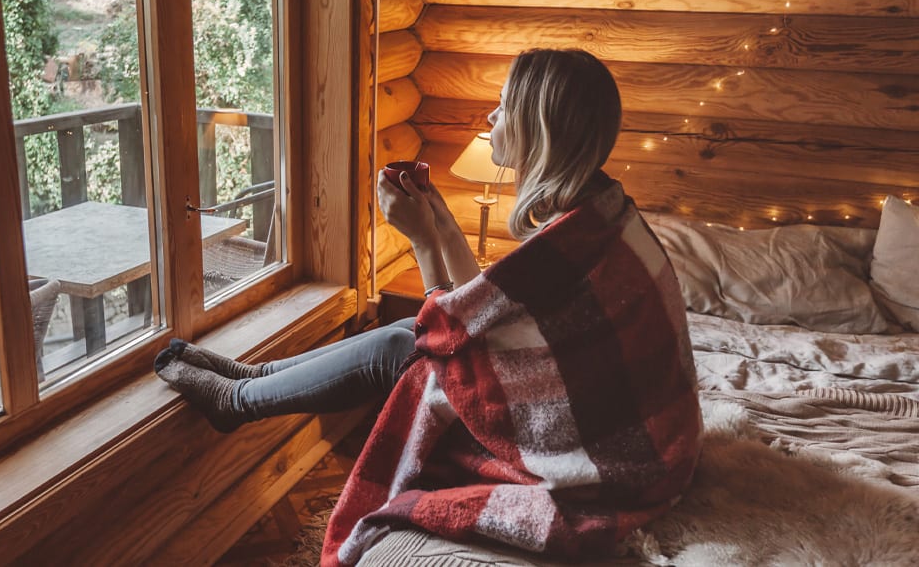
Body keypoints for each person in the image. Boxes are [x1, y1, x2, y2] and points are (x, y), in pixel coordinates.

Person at [155, 49, 701, 564]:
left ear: (539, 130)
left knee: (406, 345)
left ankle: (239, 401)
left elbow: (448, 331)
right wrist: (439, 220)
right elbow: (488, 308)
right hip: (639, 443)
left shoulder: (576, 241)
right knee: (407, 338)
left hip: (614, 463)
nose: (492, 115)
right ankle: (254, 380)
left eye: (505, 107)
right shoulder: (596, 210)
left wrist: (420, 240)